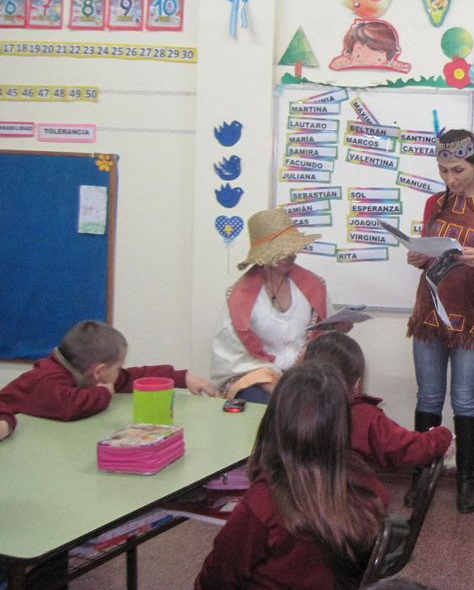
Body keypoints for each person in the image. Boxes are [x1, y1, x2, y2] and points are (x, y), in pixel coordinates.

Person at [194, 361, 385, 590]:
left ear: (274, 421)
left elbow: (217, 579)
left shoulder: (263, 503)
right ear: (343, 424)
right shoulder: (370, 486)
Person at [405, 128, 474, 513]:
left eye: (459, 170)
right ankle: (422, 476)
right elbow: (425, 251)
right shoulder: (433, 203)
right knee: (428, 397)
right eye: (444, 170)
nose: (451, 179)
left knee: (465, 399)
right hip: (429, 312)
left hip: (469, 317)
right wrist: (417, 257)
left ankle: (466, 479)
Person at [211, 207, 350, 404]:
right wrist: (273, 384)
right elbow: (232, 357)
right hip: (257, 381)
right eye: (281, 250)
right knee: (267, 405)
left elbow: (323, 334)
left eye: (292, 249)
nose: (290, 255)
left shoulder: (312, 285)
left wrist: (338, 329)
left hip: (305, 375)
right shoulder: (240, 296)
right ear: (263, 255)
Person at [304, 331, 454, 503]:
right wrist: (443, 436)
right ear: (357, 384)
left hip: (292, 507)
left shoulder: (288, 405)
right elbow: (407, 448)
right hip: (350, 509)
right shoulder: (363, 416)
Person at [0, 319, 216, 439]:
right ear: (99, 371)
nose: (120, 372)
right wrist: (103, 392)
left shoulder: (85, 372)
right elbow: (70, 407)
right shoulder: (45, 379)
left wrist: (182, 377)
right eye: (117, 367)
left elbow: (133, 377)